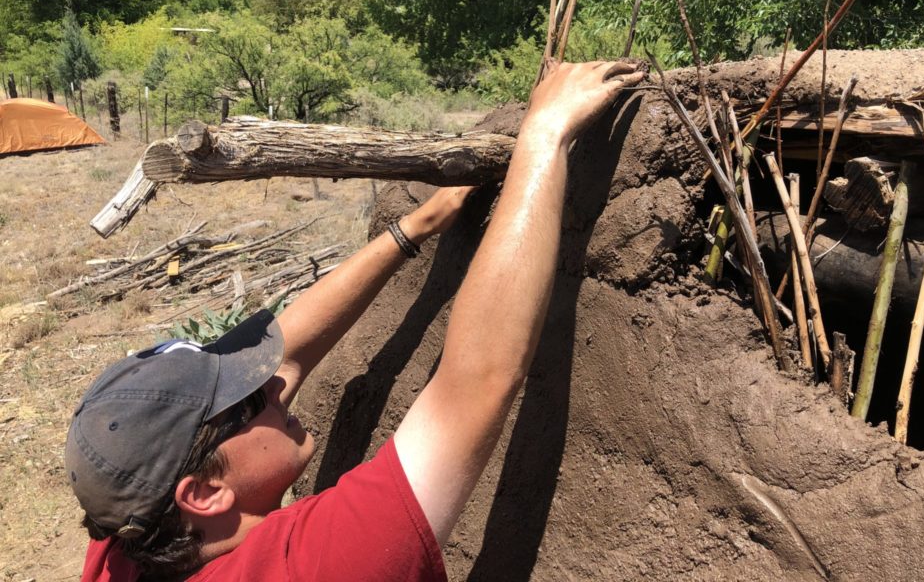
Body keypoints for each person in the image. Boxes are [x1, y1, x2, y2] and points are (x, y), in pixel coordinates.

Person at [66, 59, 644, 581]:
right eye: (245, 404)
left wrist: (412, 229)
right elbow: (479, 382)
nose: (274, 385)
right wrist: (545, 135)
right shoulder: (317, 566)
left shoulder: (130, 535)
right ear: (205, 492)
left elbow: (287, 352)